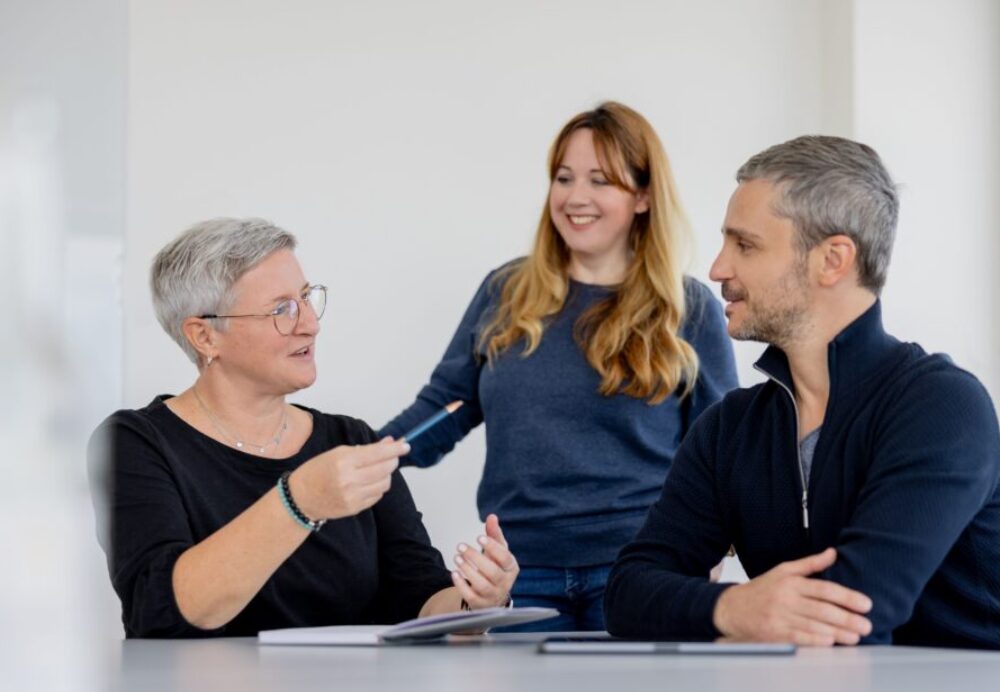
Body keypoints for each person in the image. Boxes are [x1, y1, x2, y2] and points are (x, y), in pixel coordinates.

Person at [604, 135, 1000, 649]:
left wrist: (717, 617)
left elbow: (856, 610)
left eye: (745, 245)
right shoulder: (730, 429)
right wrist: (731, 606)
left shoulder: (942, 408)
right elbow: (628, 593)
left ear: (833, 260)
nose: (718, 269)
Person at [380, 102, 738, 631]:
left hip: (640, 569)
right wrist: (360, 458)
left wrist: (712, 549)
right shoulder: (506, 292)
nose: (576, 197)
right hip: (518, 576)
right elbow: (445, 408)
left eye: (600, 180)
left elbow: (722, 451)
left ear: (642, 196)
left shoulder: (688, 308)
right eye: (564, 178)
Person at [88, 218, 518, 638]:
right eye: (281, 309)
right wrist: (299, 501)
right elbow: (158, 607)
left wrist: (476, 605)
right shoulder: (136, 443)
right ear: (205, 336)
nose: (309, 323)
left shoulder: (350, 440)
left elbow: (417, 593)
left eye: (307, 298)